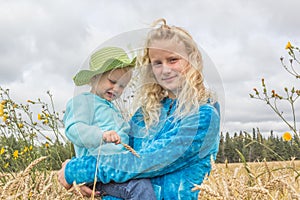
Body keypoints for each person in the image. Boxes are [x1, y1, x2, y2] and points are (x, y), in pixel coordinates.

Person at [58, 19, 220, 200]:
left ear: (192, 61)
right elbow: (120, 153)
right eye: (157, 62)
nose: (165, 69)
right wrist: (84, 181)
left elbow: (143, 162)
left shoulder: (203, 116)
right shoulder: (145, 114)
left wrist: (76, 170)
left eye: (173, 59)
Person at [63, 46, 156, 199]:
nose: (117, 89)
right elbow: (74, 129)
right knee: (140, 187)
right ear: (95, 77)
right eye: (113, 81)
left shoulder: (111, 108)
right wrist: (102, 135)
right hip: (99, 170)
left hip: (117, 170)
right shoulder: (83, 101)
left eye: (122, 86)